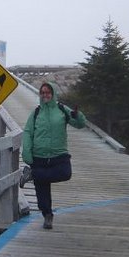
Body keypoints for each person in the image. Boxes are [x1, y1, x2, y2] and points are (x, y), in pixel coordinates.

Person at [20, 82, 87, 229]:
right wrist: (27, 152)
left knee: (65, 173)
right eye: (42, 92)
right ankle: (47, 216)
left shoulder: (62, 109)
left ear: (53, 93)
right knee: (42, 192)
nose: (45, 95)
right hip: (39, 155)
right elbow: (28, 132)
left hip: (59, 154)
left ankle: (33, 174)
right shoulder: (36, 113)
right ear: (40, 94)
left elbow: (80, 124)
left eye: (48, 92)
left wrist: (78, 115)